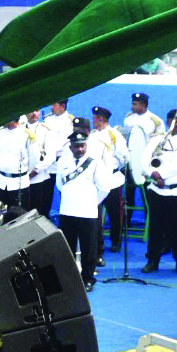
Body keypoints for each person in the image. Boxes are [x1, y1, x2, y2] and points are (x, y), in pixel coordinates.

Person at [55, 129, 122, 290]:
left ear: (86, 146)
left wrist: (92, 202)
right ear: (71, 147)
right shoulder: (63, 162)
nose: (79, 149)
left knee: (88, 248)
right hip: (67, 211)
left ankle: (88, 278)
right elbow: (59, 184)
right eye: (76, 146)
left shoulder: (94, 161)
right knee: (67, 247)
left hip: (87, 212)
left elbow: (104, 188)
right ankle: (69, 279)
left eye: (82, 146)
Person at [140, 107, 177, 276]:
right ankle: (153, 260)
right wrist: (152, 173)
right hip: (157, 190)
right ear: (168, 122)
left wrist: (162, 176)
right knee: (155, 228)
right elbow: (144, 158)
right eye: (175, 121)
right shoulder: (157, 139)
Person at [87, 106, 128, 254]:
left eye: (94, 118)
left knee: (115, 213)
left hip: (112, 180)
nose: (93, 121)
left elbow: (124, 157)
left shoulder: (114, 135)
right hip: (95, 180)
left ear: (100, 119)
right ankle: (97, 242)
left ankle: (116, 240)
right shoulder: (91, 135)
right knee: (95, 213)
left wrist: (111, 168)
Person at [0, 117, 36, 210]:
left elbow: (33, 159)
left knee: (18, 216)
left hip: (18, 182)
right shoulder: (0, 132)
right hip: (1, 181)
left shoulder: (26, 135)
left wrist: (24, 173)